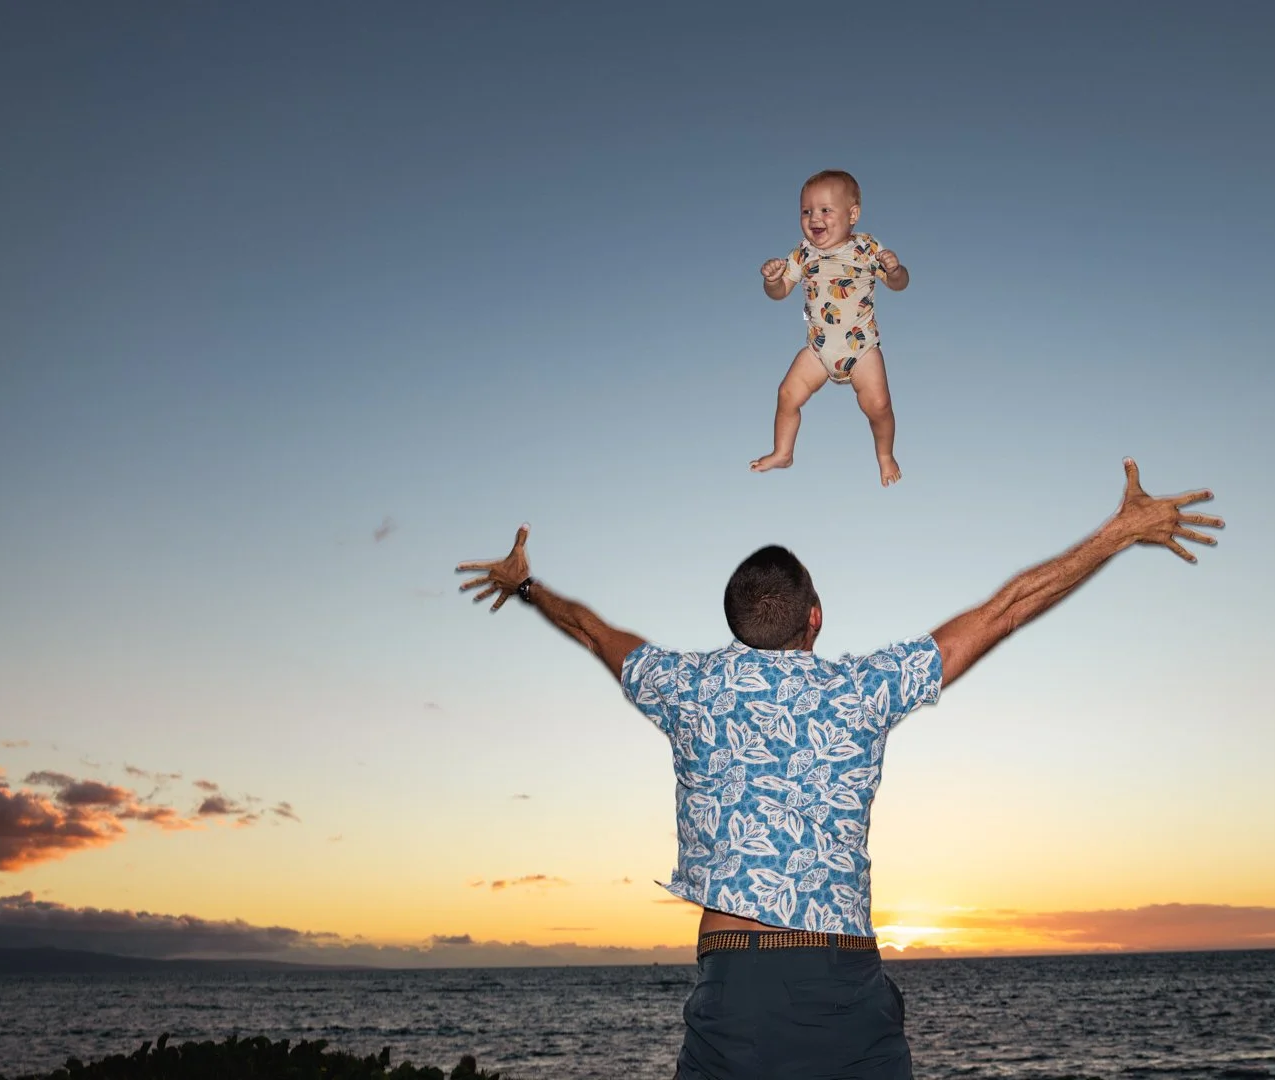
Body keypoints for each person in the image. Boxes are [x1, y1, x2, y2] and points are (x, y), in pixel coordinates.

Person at [455, 459, 1223, 1079]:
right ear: (813, 618)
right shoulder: (862, 691)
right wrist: (1117, 534)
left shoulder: (680, 685)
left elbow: (593, 630)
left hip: (733, 989)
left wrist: (526, 585)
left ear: (735, 618)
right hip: (840, 982)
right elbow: (1004, 611)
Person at [750, 170, 908, 487]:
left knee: (879, 406)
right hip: (819, 350)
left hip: (861, 350)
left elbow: (899, 284)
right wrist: (771, 281)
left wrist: (894, 270)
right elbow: (780, 292)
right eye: (806, 211)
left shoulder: (867, 248)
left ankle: (885, 455)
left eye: (825, 210)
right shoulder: (801, 254)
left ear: (853, 215)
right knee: (787, 394)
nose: (814, 218)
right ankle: (783, 452)